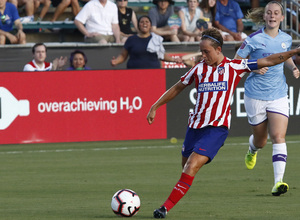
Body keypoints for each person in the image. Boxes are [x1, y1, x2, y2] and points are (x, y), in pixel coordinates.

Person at [146, 28, 300, 218]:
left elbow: (269, 60)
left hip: (217, 128)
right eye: (201, 51)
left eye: (206, 52)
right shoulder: (199, 68)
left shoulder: (234, 67)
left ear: (218, 49)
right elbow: (178, 87)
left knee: (192, 165)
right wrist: (155, 106)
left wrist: (294, 52)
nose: (203, 55)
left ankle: (164, 208)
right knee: (186, 166)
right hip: (194, 127)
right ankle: (179, 190)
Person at [234, 1, 300, 196]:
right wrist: (253, 65)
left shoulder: (286, 39)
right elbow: (236, 63)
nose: (272, 16)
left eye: (276, 13)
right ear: (264, 16)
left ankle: (278, 182)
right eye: (269, 13)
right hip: (255, 95)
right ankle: (252, 149)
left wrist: (293, 67)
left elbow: (284, 56)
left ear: (281, 17)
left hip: (278, 94)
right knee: (261, 141)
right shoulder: (253, 40)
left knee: (278, 136)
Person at [111, 15, 182, 69]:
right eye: (142, 22)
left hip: (153, 74)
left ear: (150, 25)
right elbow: (123, 56)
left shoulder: (156, 39)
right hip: (133, 73)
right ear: (138, 25)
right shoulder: (131, 39)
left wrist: (174, 60)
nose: (144, 23)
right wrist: (116, 61)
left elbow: (162, 55)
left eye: (147, 22)